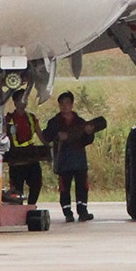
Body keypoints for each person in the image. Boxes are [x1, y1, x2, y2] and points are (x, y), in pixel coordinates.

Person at [42, 91, 104, 223]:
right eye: (62, 104)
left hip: (79, 159)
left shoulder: (80, 122)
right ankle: (67, 213)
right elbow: (46, 137)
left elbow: (87, 141)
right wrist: (57, 135)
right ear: (59, 105)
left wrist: (88, 133)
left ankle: (83, 212)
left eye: (68, 103)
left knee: (82, 186)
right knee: (64, 188)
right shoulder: (54, 122)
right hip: (63, 159)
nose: (65, 106)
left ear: (72, 104)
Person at [2, 94, 47, 207]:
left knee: (37, 183)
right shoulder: (8, 119)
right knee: (17, 189)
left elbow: (41, 135)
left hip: (31, 157)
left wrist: (49, 146)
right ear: (15, 102)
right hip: (16, 160)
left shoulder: (31, 118)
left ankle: (31, 206)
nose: (22, 102)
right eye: (20, 99)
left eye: (24, 99)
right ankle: (19, 208)